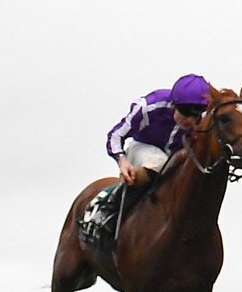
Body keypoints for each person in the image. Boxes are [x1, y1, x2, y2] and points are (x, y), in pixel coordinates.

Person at [85, 74, 211, 232]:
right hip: (142, 147)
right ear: (173, 104)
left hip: (175, 155)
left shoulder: (206, 119)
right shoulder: (149, 107)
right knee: (159, 162)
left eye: (197, 115)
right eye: (186, 113)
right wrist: (122, 161)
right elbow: (116, 136)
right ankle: (110, 205)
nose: (192, 121)